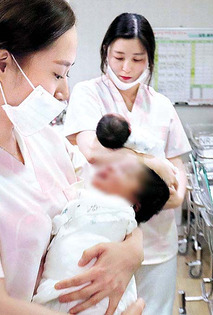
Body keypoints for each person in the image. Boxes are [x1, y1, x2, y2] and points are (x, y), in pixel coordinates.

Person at [0, 1, 145, 314]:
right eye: (58, 74)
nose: (65, 92)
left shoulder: (43, 140)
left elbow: (106, 203)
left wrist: (132, 251)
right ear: (2, 64)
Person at [64, 13, 192, 314]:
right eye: (119, 56)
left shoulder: (161, 105)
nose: (126, 67)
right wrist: (154, 166)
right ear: (105, 50)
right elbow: (92, 150)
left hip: (157, 239)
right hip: (102, 236)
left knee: (154, 309)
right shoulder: (88, 93)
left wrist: (180, 193)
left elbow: (177, 162)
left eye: (137, 59)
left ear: (149, 59)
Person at [33, 157, 170, 314]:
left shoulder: (120, 213)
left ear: (134, 205)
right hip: (53, 291)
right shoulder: (84, 197)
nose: (114, 171)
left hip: (97, 298)